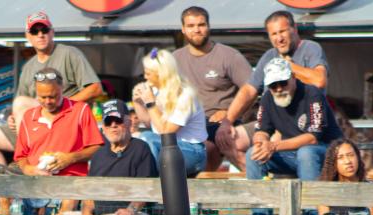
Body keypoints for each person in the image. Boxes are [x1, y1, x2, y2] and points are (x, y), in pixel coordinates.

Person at [0, 11, 102, 175]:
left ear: (52, 32)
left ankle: (26, 161)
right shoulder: (29, 66)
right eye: (35, 31)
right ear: (27, 36)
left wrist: (63, 103)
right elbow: (20, 105)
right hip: (35, 128)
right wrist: (13, 118)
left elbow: (96, 88)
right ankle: (8, 188)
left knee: (22, 103)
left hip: (65, 123)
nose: (40, 35)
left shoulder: (69, 53)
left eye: (44, 30)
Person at [217, 10, 328, 171]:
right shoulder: (269, 56)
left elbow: (319, 81)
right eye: (273, 34)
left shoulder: (310, 48)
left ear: (294, 29)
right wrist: (227, 121)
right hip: (275, 124)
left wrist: (286, 66)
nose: (279, 38)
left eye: (282, 31)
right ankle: (260, 180)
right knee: (228, 139)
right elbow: (249, 90)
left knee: (299, 149)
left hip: (306, 123)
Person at [49, 99, 158, 215]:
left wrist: (130, 210)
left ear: (127, 122)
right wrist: (87, 214)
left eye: (118, 120)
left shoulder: (141, 148)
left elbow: (147, 189)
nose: (113, 125)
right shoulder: (99, 154)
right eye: (108, 122)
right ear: (104, 127)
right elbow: (89, 193)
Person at [246, 58, 341, 215]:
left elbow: (313, 137)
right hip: (294, 155)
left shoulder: (312, 93)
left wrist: (273, 146)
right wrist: (261, 144)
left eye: (283, 82)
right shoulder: (268, 97)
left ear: (293, 77)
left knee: (306, 152)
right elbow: (261, 129)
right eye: (274, 85)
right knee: (252, 154)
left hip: (327, 153)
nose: (279, 89)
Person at [172, 6, 253, 171]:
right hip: (188, 123)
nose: (196, 30)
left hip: (223, 122)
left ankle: (262, 185)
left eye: (201, 25)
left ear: (209, 26)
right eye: (191, 26)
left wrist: (229, 113)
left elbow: (252, 90)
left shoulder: (229, 56)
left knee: (210, 147)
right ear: (183, 29)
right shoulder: (174, 59)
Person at [13, 67, 103, 181]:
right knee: (4, 195)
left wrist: (71, 158)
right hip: (35, 183)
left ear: (62, 88)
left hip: (70, 182)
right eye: (42, 97)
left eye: (52, 96)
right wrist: (28, 169)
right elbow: (21, 156)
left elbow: (97, 148)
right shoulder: (28, 116)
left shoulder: (80, 110)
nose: (47, 102)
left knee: (69, 200)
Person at [132, 49, 207, 175]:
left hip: (193, 153)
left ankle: (150, 183)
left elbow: (166, 132)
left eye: (148, 74)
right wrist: (137, 102)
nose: (145, 77)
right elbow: (149, 123)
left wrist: (150, 103)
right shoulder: (156, 91)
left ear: (161, 74)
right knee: (137, 140)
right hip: (166, 148)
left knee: (146, 138)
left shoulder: (185, 95)